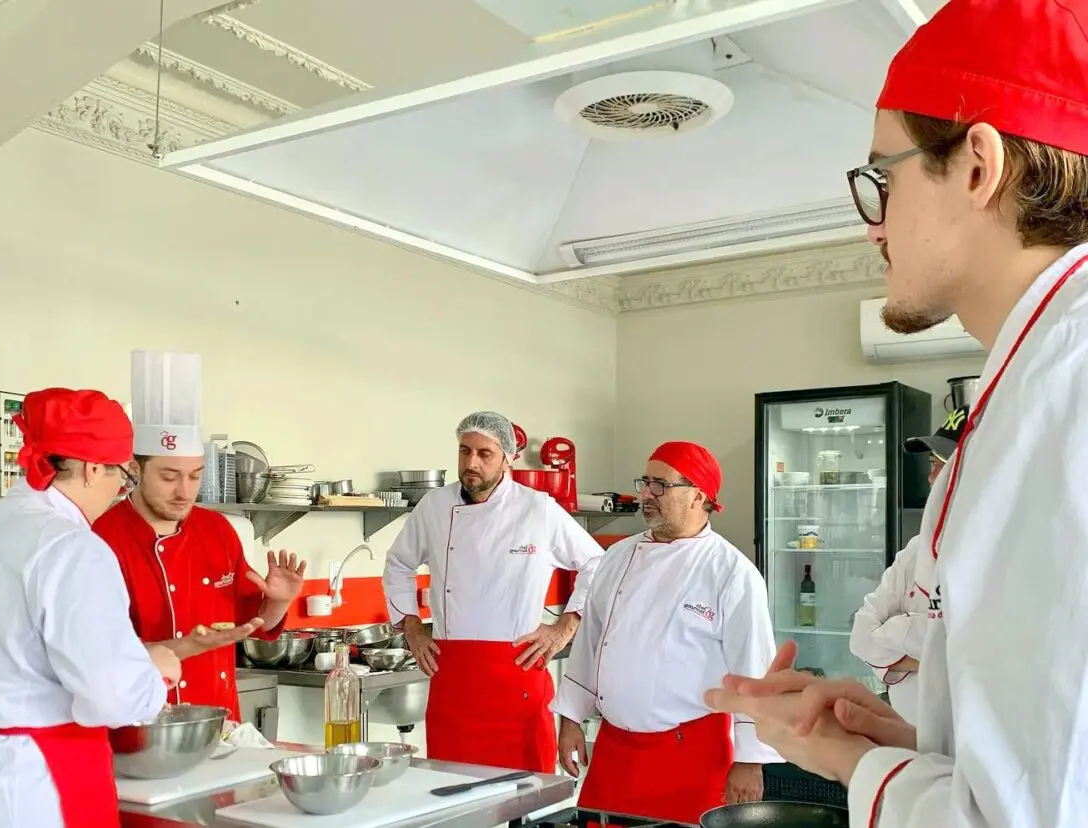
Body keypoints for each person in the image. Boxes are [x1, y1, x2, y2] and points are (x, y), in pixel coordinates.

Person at [704, 2, 1088, 826]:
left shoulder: (1067, 390)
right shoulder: (1033, 375)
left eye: (886, 177)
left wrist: (850, 761)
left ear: (979, 166)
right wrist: (911, 741)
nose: (874, 224)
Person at [0, 388, 182, 828]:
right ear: (91, 469)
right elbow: (113, 696)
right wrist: (155, 672)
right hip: (31, 786)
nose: (116, 493)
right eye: (120, 478)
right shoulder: (74, 549)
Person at [552, 442, 781, 824]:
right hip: (614, 752)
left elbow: (755, 674)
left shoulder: (732, 572)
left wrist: (750, 761)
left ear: (698, 496)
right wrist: (571, 718)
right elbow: (590, 644)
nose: (645, 494)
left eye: (661, 485)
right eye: (645, 482)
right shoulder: (616, 558)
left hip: (691, 754)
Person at [382, 411, 604, 772]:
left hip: (518, 676)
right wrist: (411, 626)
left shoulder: (538, 510)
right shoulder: (434, 507)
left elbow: (597, 564)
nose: (471, 463)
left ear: (508, 458)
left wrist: (565, 626)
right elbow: (399, 564)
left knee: (524, 800)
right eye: (464, 451)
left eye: (484, 454)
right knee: (449, 796)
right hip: (453, 680)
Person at [95, 351, 306, 720]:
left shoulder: (218, 530)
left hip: (220, 721)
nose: (184, 491)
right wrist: (182, 647)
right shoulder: (101, 539)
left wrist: (277, 603)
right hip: (142, 723)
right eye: (168, 476)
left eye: (195, 475)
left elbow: (254, 626)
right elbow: (94, 655)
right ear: (134, 469)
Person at [849, 406, 968, 724]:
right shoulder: (916, 550)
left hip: (967, 750)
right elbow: (861, 637)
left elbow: (979, 658)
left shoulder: (998, 558)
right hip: (908, 737)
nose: (931, 478)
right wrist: (931, 649)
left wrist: (897, 629)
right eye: (932, 464)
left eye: (944, 465)